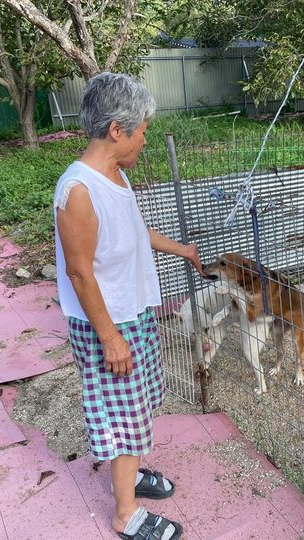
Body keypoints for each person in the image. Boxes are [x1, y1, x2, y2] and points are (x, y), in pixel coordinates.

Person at [53, 72, 202, 540]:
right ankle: (124, 514)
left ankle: (129, 473)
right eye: (141, 130)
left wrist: (184, 251)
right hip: (108, 324)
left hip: (132, 315)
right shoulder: (79, 191)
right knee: (122, 417)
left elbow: (135, 233)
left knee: (138, 405)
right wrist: (111, 337)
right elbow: (80, 273)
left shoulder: (115, 177)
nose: (144, 139)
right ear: (117, 130)